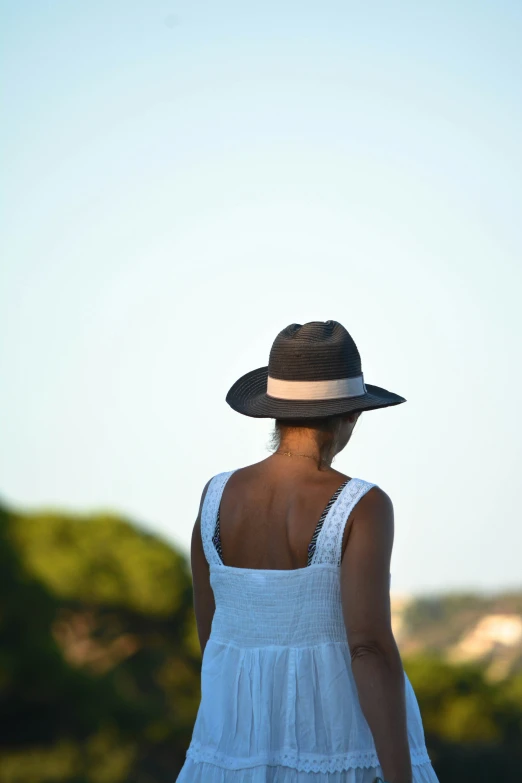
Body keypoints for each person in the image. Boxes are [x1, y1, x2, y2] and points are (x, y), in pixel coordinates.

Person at [176, 320, 439, 783]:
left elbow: (213, 637)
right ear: (352, 415)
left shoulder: (215, 496)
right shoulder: (363, 504)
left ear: (273, 412)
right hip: (339, 742)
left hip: (231, 749)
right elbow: (370, 647)